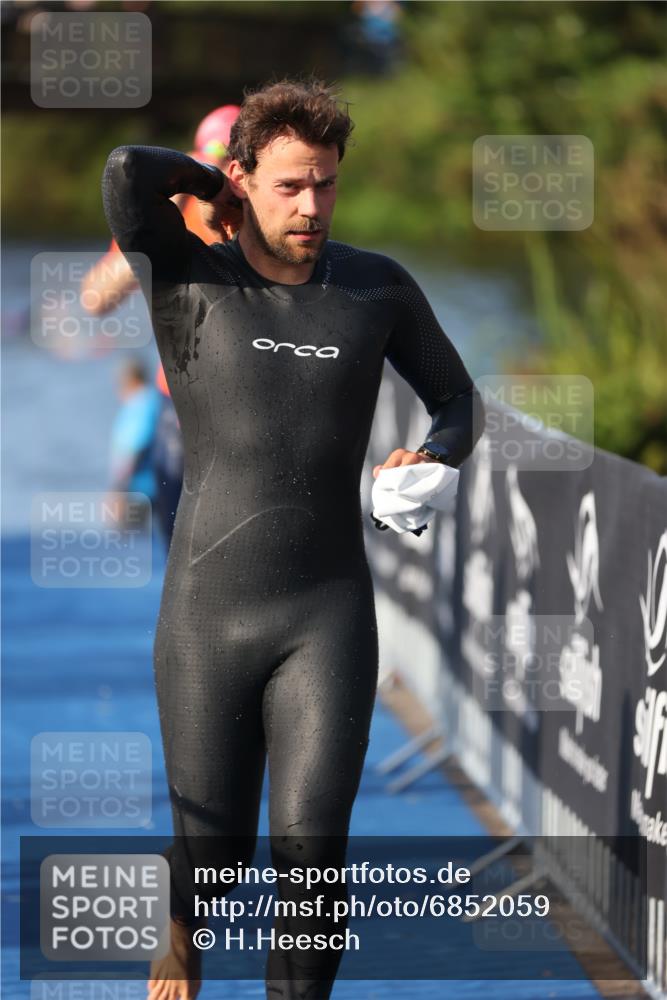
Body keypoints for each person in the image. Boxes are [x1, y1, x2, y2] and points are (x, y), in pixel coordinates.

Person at [102, 78, 483, 1000]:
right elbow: (125, 173)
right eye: (288, 186)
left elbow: (457, 399)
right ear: (243, 180)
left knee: (312, 858)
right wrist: (213, 186)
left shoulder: (373, 286)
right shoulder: (188, 276)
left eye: (326, 183)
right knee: (217, 855)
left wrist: (432, 456)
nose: (311, 206)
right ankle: (179, 922)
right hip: (208, 615)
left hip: (327, 613)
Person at [82, 105, 241, 545]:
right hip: (180, 401)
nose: (220, 195)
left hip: (252, 402)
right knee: (182, 550)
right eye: (208, 177)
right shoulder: (171, 208)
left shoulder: (271, 213)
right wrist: (148, 239)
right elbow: (95, 298)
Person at [107, 359, 160, 529]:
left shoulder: (141, 403)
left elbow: (137, 447)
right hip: (150, 487)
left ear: (131, 381)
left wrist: (118, 490)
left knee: (127, 538)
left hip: (139, 491)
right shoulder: (153, 400)